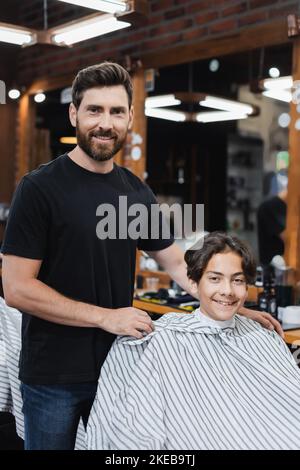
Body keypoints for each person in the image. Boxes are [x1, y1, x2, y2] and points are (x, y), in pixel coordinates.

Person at [1, 62, 282, 450]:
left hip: (122, 367)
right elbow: (16, 289)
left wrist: (229, 303)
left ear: (130, 117)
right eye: (94, 110)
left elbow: (176, 263)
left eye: (116, 111)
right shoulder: (39, 189)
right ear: (74, 114)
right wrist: (104, 317)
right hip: (53, 376)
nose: (105, 123)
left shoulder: (134, 193)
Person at [86, 232, 300, 450]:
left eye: (237, 280)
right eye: (215, 278)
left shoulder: (263, 336)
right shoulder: (159, 340)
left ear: (247, 288)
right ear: (194, 283)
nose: (227, 291)